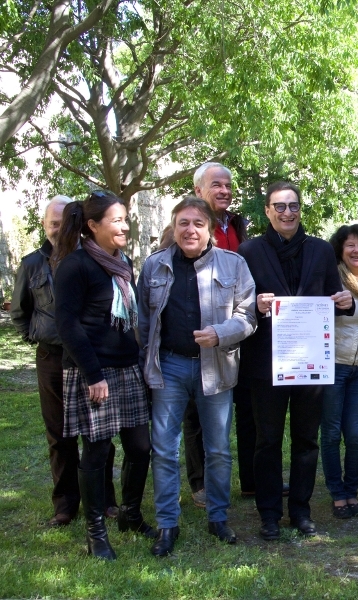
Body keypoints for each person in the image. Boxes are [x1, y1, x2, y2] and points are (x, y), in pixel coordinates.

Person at [138, 197, 256, 556]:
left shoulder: (234, 264)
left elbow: (247, 315)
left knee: (218, 448)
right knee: (164, 448)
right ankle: (167, 525)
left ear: (209, 231)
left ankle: (218, 518)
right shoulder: (154, 266)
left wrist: (221, 333)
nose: (190, 230)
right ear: (174, 228)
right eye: (183, 223)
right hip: (170, 366)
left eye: (198, 224)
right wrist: (146, 364)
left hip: (215, 365)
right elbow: (143, 323)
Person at [237, 181, 354, 540]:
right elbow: (238, 305)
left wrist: (344, 303)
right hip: (265, 363)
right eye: (280, 206)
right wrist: (256, 305)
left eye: (293, 206)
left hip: (310, 362)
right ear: (268, 211)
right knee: (267, 440)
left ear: (300, 209)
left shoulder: (320, 251)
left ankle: (301, 511)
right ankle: (269, 514)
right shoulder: (248, 252)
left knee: (307, 440)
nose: (287, 212)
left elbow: (334, 298)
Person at [52, 191, 156, 560]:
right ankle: (96, 531)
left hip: (127, 368)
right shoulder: (74, 265)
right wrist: (93, 374)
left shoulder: (121, 261)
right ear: (92, 226)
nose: (125, 226)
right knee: (97, 452)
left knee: (141, 447)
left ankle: (129, 514)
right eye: (116, 220)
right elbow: (67, 324)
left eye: (126, 219)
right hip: (92, 372)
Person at [11, 195, 119, 526]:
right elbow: (20, 311)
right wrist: (40, 336)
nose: (59, 230)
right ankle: (65, 503)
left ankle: (104, 499)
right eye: (53, 224)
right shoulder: (31, 264)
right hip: (53, 357)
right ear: (44, 226)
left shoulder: (92, 260)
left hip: (90, 357)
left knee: (98, 432)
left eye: (65, 222)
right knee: (59, 433)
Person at [188, 162, 252, 505]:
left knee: (238, 409)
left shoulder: (236, 225)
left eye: (228, 185)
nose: (224, 190)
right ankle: (200, 484)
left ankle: (247, 480)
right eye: (217, 185)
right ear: (199, 190)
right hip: (201, 336)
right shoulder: (187, 225)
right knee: (197, 415)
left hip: (235, 332)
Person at [322, 224, 358, 519]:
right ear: (341, 251)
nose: (356, 251)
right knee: (331, 433)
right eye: (350, 246)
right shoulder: (330, 280)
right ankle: (337, 494)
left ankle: (352, 492)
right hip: (332, 366)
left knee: (355, 435)